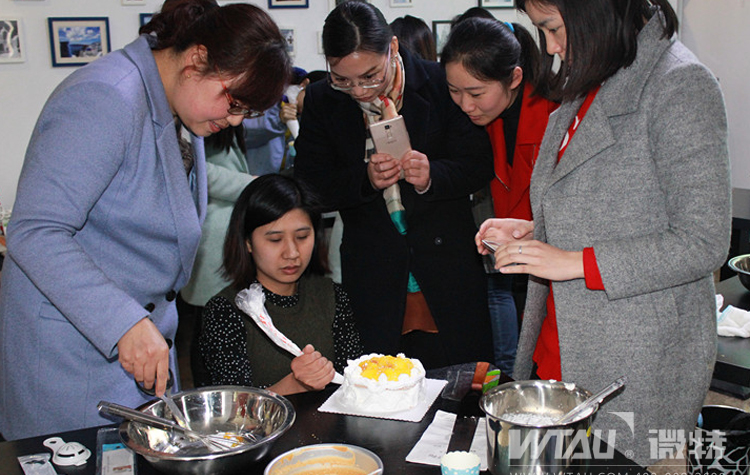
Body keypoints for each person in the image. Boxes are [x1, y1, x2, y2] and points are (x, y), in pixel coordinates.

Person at [0, 0, 291, 440]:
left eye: (245, 113)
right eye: (233, 102)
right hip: (72, 355)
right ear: (197, 58)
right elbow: (35, 231)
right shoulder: (105, 97)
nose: (233, 120)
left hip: (136, 350)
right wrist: (124, 322)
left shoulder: (179, 106)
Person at [476, 0, 731, 465]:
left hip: (630, 355)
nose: (551, 47)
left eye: (553, 28)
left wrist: (574, 262)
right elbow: (611, 210)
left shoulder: (678, 84)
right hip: (561, 338)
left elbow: (703, 239)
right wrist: (533, 231)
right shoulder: (595, 75)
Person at [294, 2, 494, 370]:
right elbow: (310, 185)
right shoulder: (323, 100)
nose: (359, 90)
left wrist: (432, 174)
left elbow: (478, 163)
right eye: (343, 78)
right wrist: (365, 179)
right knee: (381, 383)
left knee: (461, 382)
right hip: (375, 271)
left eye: (370, 75)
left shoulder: (439, 83)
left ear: (393, 48)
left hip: (446, 266)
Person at [441, 18, 558, 377]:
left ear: (515, 78)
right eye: (454, 91)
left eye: (476, 93)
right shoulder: (486, 117)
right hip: (522, 257)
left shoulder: (554, 115)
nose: (465, 104)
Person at [198, 174, 363, 395]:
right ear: (247, 242)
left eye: (302, 237)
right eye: (275, 240)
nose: (292, 253)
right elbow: (235, 406)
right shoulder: (226, 311)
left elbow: (355, 379)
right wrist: (295, 384)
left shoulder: (331, 295)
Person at [178, 125, 255, 387]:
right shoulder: (196, 125)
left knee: (218, 328)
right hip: (213, 241)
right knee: (209, 329)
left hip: (225, 236)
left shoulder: (221, 129)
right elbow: (198, 172)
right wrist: (253, 184)